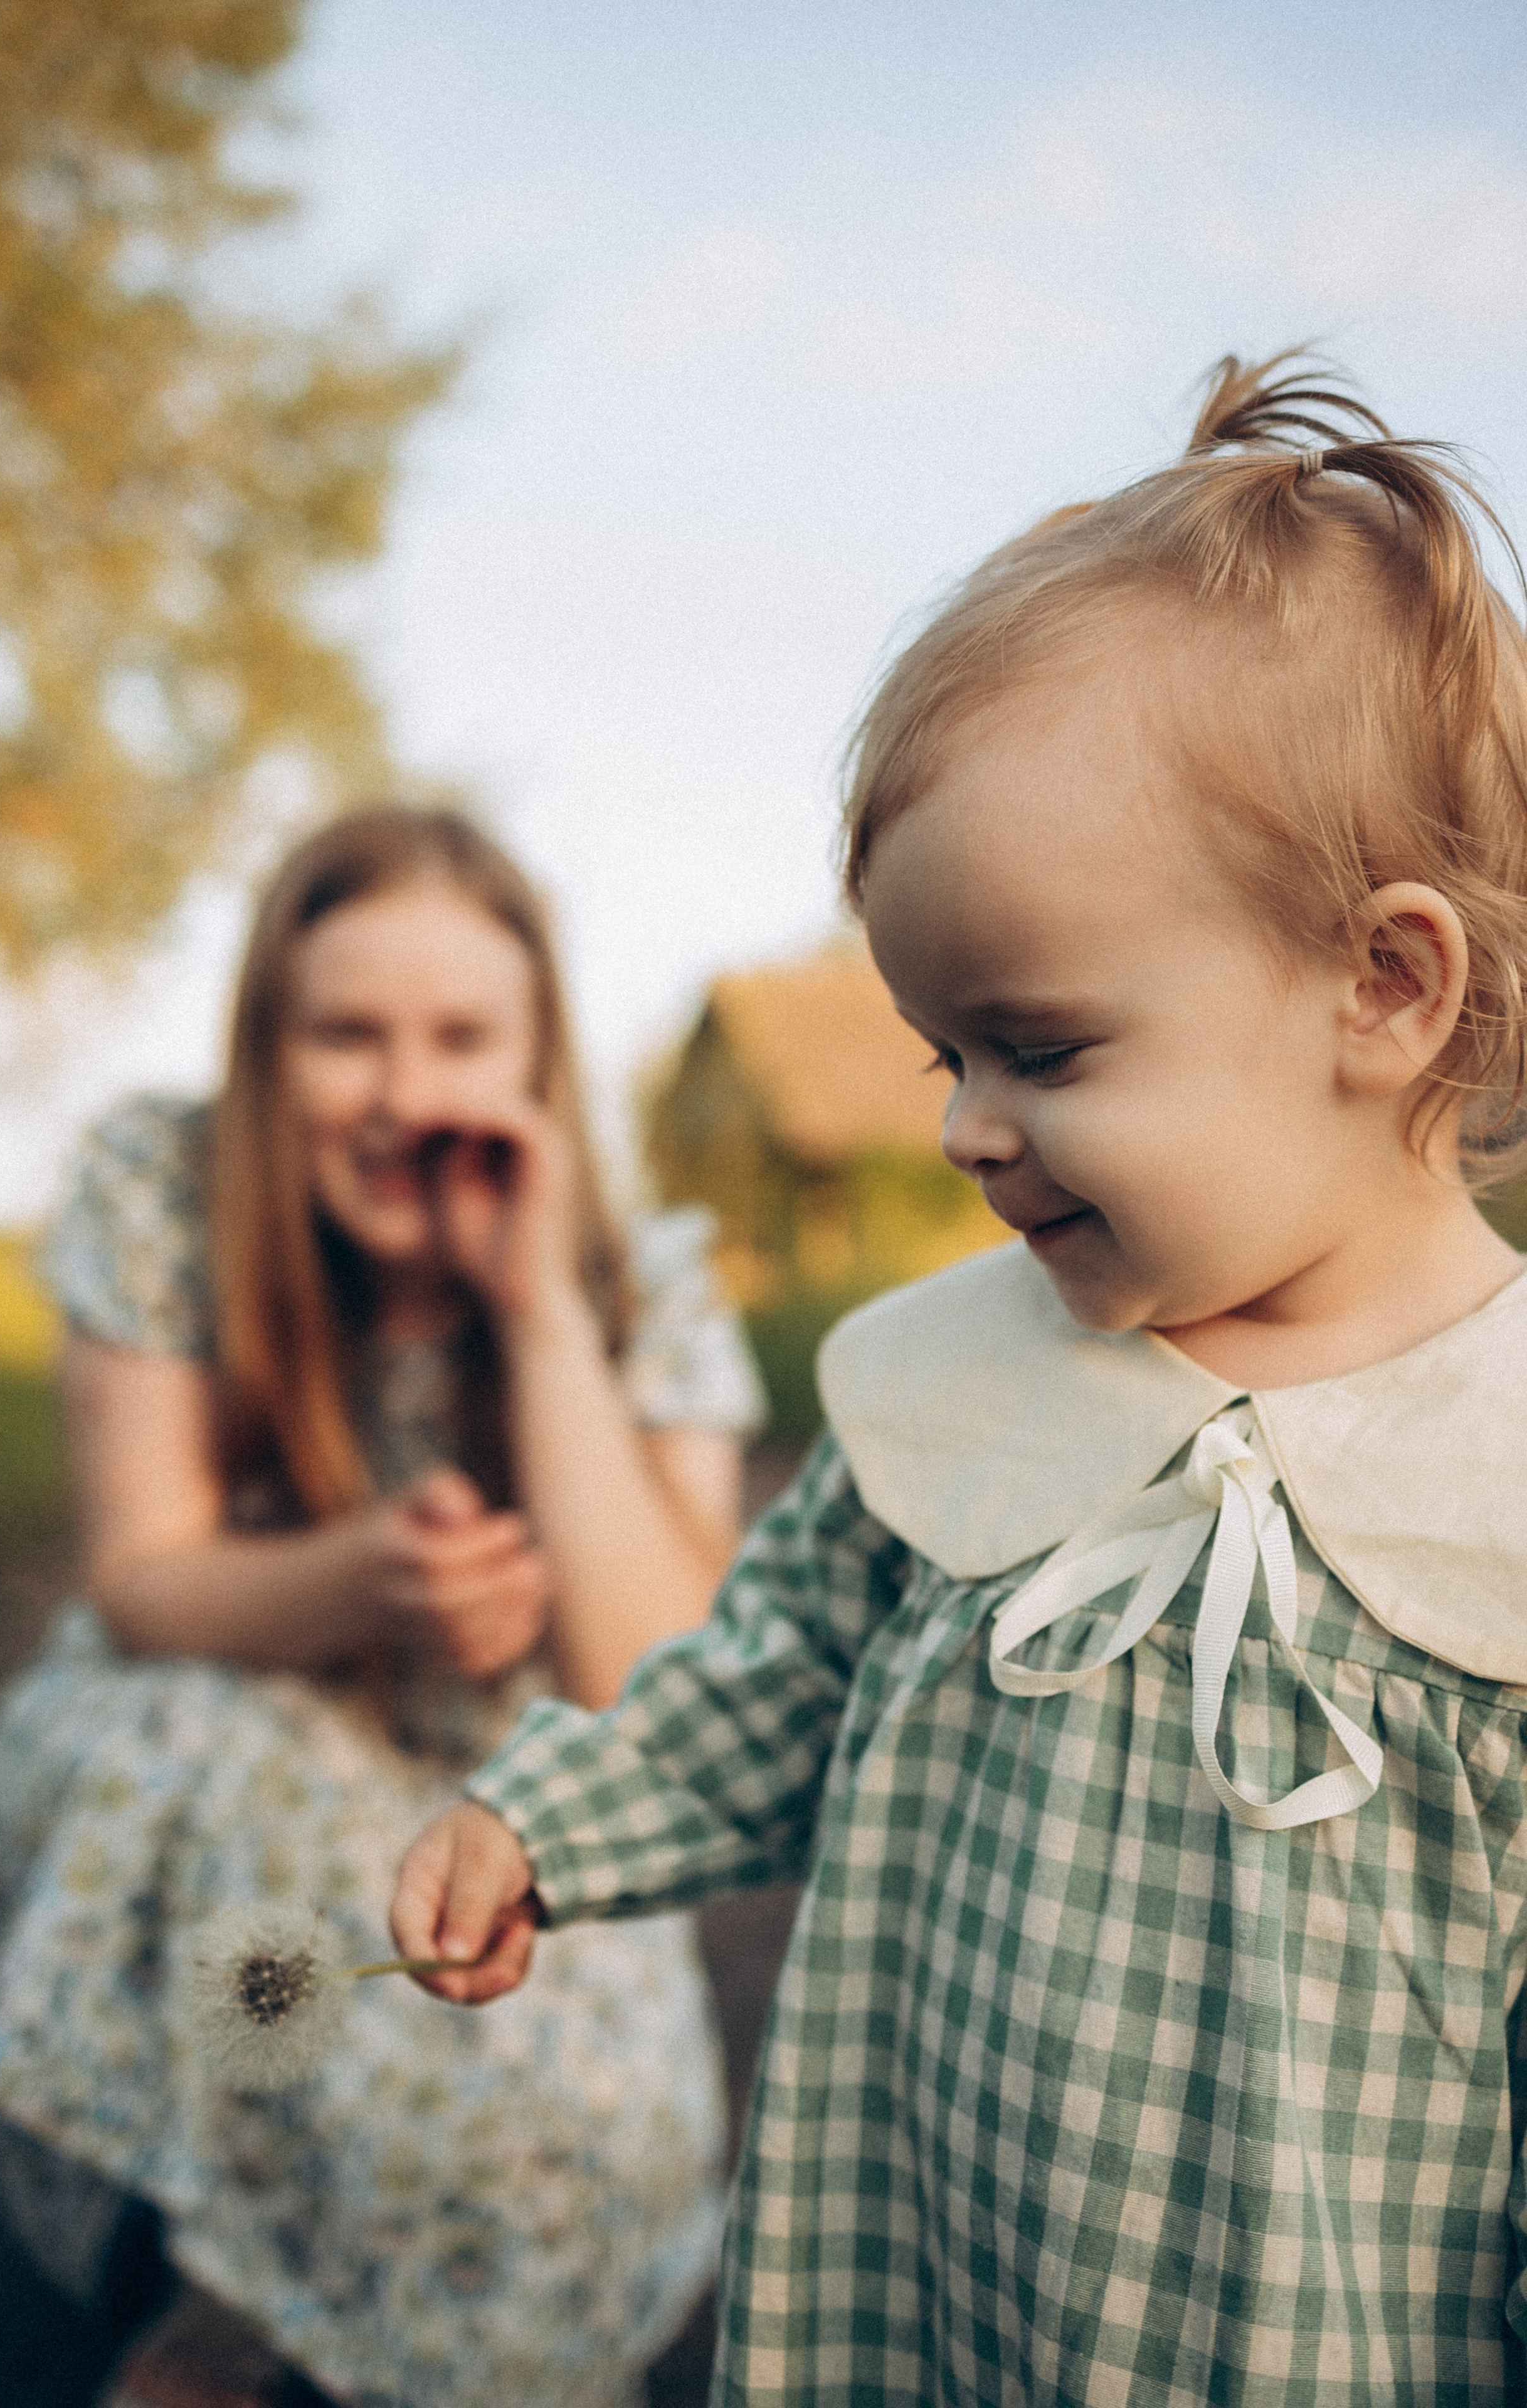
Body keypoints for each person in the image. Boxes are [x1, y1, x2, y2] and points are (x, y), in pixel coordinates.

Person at [391, 356, 1527, 2407]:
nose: (966, 1131)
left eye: (1044, 1049)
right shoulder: (968, 1388)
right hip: (927, 2309)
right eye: (949, 1054)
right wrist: (547, 1821)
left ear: (1385, 985)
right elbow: (769, 1682)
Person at [0, 805, 766, 2408]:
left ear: (536, 1057)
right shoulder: (165, 1190)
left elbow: (652, 1688)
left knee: (552, 2095)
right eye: (346, 1037)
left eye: (460, 1039)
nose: (402, 1096)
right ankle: (224, 2310)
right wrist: (362, 1583)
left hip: (506, 1760)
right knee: (231, 1797)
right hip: (233, 1698)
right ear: (267, 1044)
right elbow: (144, 1580)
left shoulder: (638, 1277)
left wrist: (535, 1312)